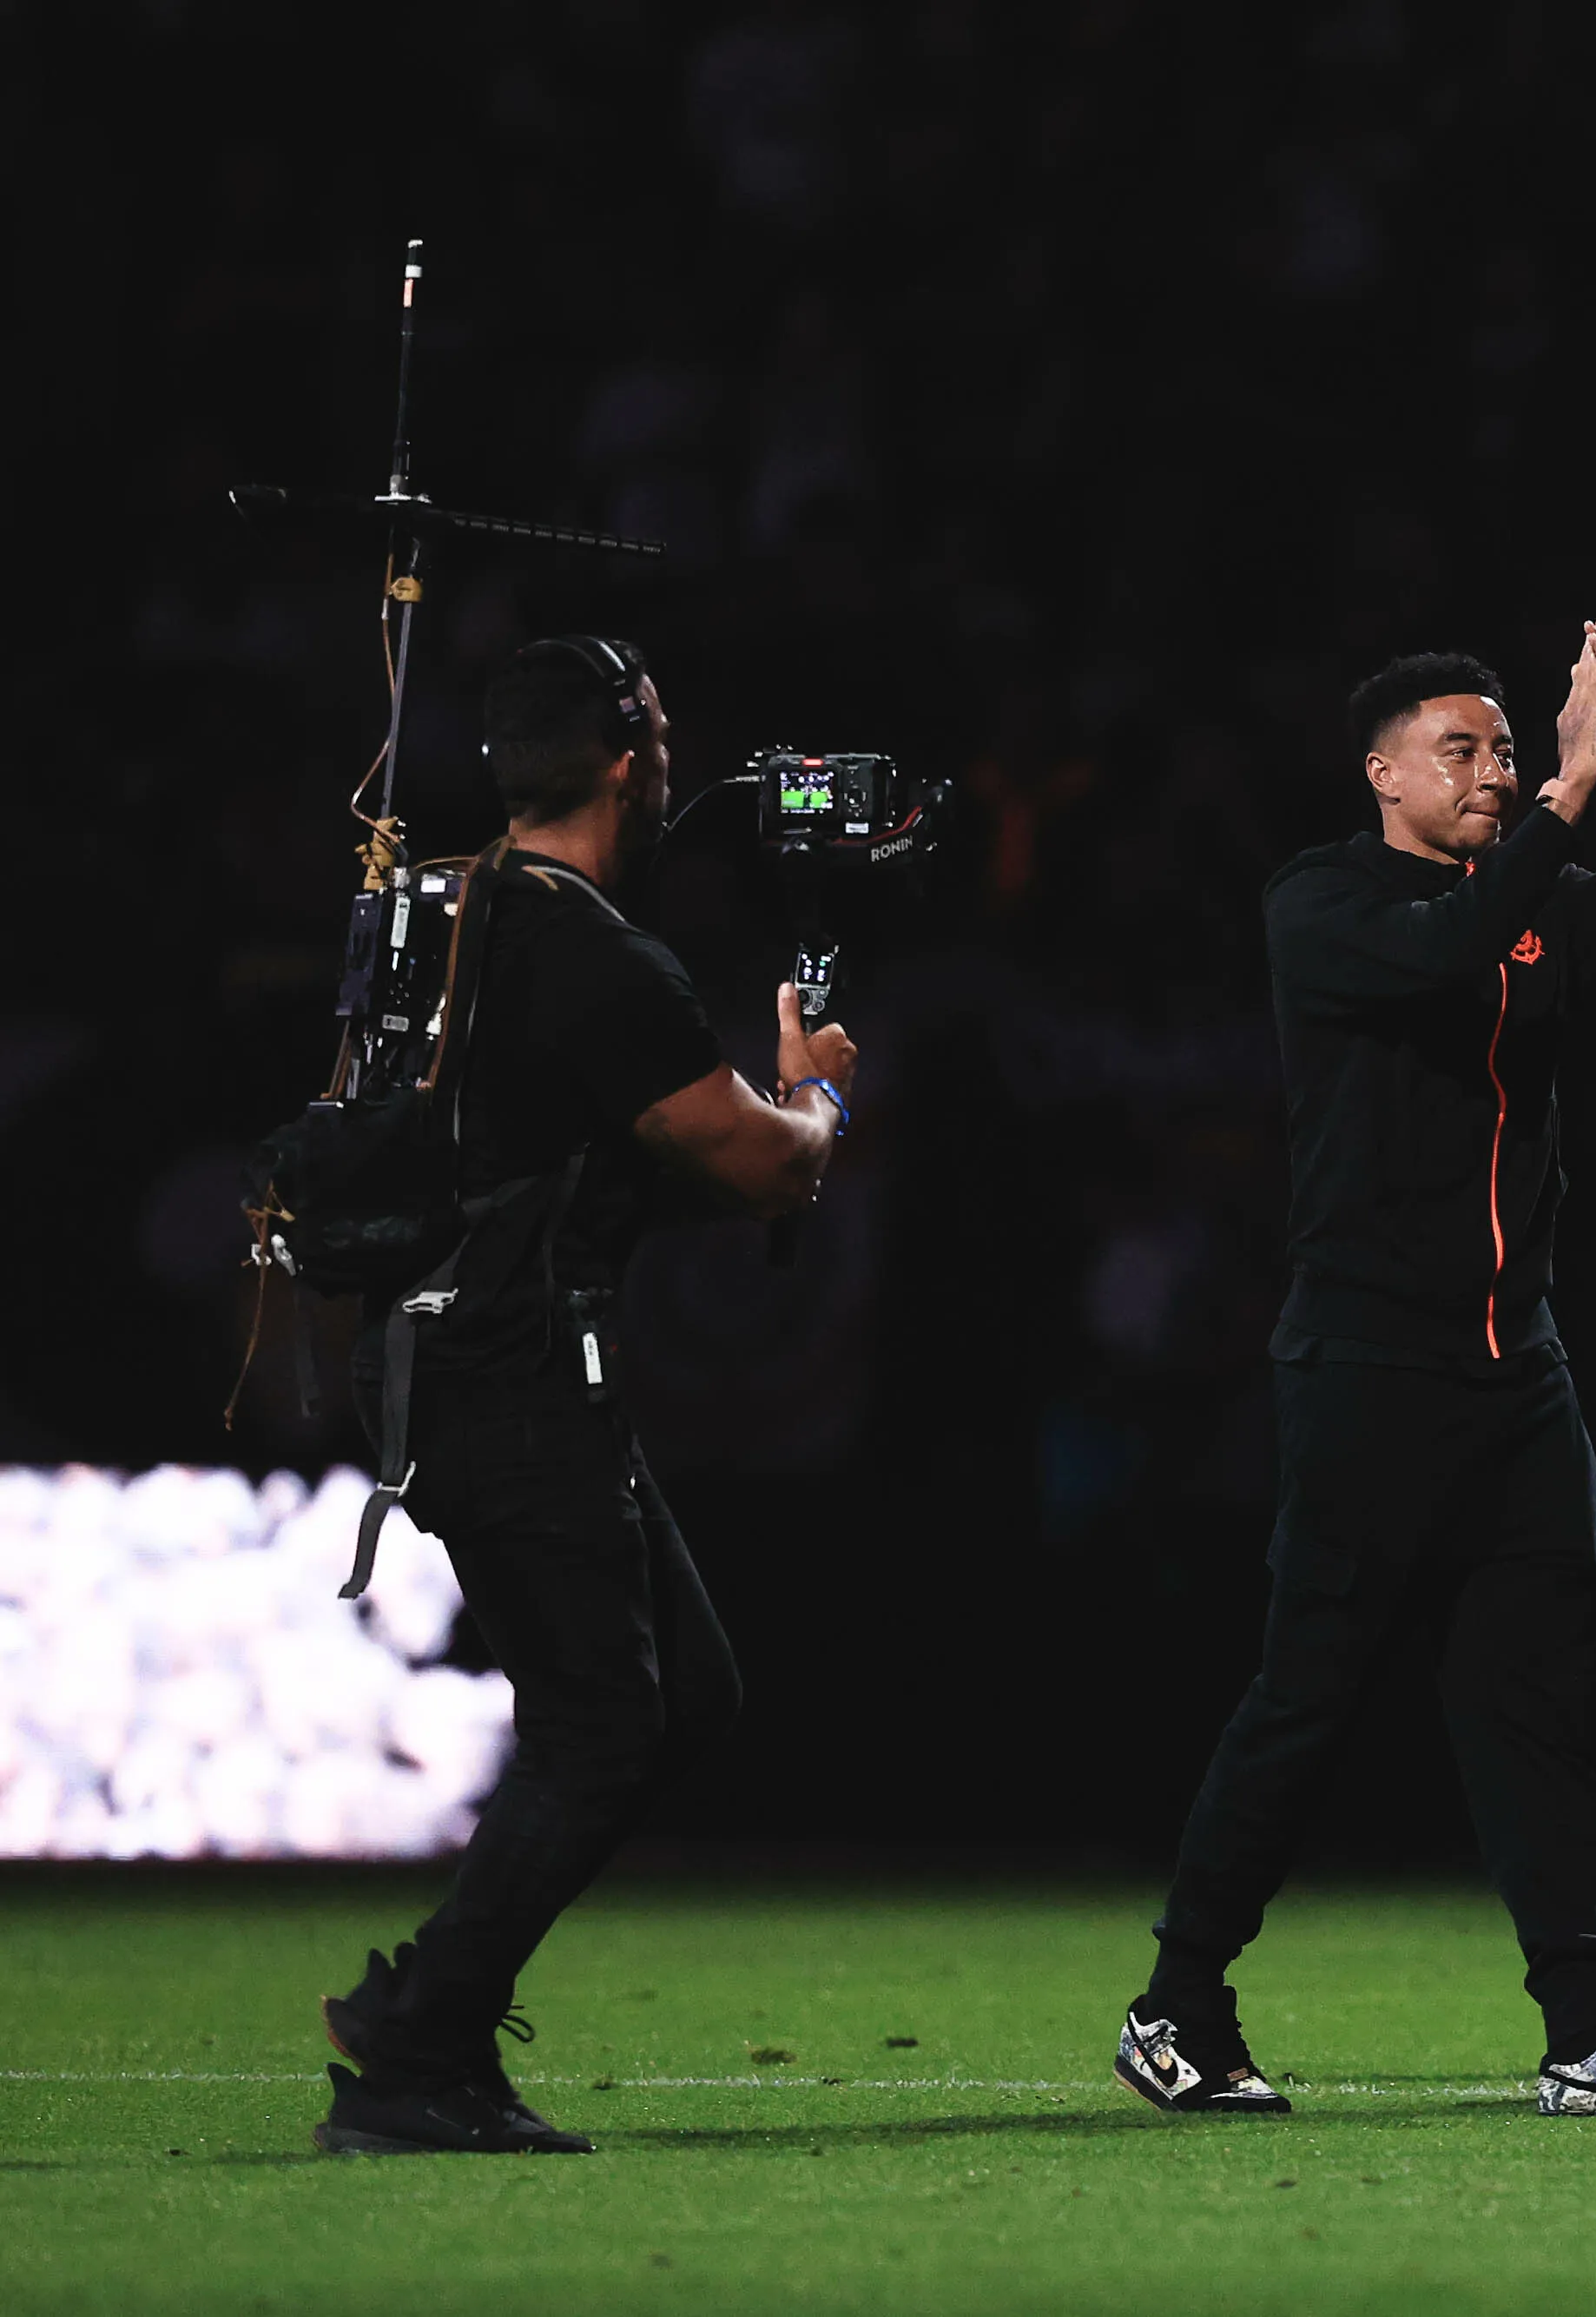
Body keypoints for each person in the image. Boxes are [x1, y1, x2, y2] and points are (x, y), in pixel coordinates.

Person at [1121, 626, 1596, 2122]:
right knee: (1305, 1700)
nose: (1495, 772)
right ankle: (1178, 2007)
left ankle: (1588, 2037)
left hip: (1517, 1371)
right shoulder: (1322, 900)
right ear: (1382, 773)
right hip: (1367, 1365)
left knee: (1535, 1706)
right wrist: (1565, 804)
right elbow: (1444, 952)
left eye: (1508, 748)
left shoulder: (1541, 903)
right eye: (1460, 750)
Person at [315, 637, 859, 2155]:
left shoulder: (445, 913)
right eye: (661, 731)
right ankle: (417, 2051)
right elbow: (765, 1167)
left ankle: (428, 2011)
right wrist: (813, 1091)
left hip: (444, 1348)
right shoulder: (594, 953)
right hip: (509, 1367)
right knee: (604, 1724)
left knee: (680, 1695)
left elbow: (538, 1145)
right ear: (631, 761)